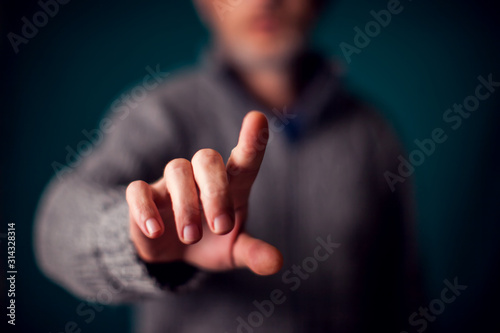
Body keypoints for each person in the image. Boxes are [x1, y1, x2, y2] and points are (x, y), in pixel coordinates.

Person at [35, 0, 423, 332]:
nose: (265, 0)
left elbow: (402, 294)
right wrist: (134, 238)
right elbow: (55, 229)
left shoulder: (373, 134)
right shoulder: (161, 113)